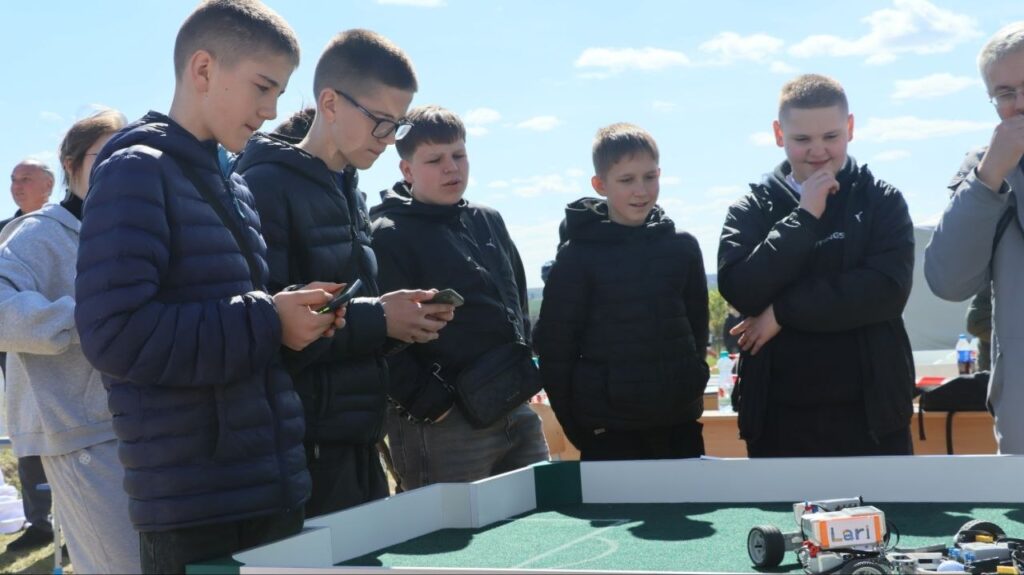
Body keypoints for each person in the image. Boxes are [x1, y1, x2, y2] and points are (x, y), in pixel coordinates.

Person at [73, 1, 345, 572]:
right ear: (203, 70)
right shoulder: (135, 171)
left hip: (268, 488)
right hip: (195, 508)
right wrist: (268, 319)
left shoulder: (235, 187)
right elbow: (114, 336)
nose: (272, 111)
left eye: (280, 93)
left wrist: (297, 326)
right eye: (263, 87)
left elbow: (240, 333)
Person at [235, 30, 454, 514]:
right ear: (330, 103)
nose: (390, 140)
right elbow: (266, 329)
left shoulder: (349, 189)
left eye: (398, 125)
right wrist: (380, 318)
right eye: (381, 122)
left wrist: (401, 322)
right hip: (304, 455)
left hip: (357, 443)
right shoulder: (264, 185)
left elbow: (345, 313)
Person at [717, 74, 915, 458]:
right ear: (779, 134)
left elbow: (885, 292)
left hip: (873, 419)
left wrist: (783, 311)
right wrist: (804, 217)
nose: (818, 151)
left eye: (831, 136)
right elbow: (741, 289)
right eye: (802, 139)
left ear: (851, 128)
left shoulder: (882, 201)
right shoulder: (750, 209)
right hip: (777, 420)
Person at [370, 105, 548, 488]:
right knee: (453, 525)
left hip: (515, 405)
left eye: (459, 155)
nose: (451, 168)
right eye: (435, 160)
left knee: (541, 511)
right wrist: (432, 405)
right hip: (445, 427)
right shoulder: (387, 235)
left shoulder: (488, 219)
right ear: (407, 170)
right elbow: (378, 335)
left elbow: (516, 299)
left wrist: (522, 372)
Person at [0, 109, 140, 573]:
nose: (119, 166)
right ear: (70, 163)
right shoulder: (37, 232)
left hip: (144, 423)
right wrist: (87, 319)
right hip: (79, 434)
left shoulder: (133, 228)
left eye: (130, 154)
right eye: (105, 155)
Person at [533, 123, 708, 461]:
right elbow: (556, 350)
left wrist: (692, 381)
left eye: (649, 177)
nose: (641, 190)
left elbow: (697, 331)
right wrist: (579, 430)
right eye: (626, 180)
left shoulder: (683, 247)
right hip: (608, 432)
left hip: (680, 425)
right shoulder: (576, 257)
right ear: (600, 185)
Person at [925, 21, 1024, 454]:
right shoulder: (986, 170)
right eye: (1005, 93)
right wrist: (988, 179)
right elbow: (949, 282)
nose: (1020, 104)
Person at [1, 158, 55, 553]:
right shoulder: (4, 233)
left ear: (49, 185)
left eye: (26, 179)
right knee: (25, 430)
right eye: (13, 179)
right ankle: (40, 522)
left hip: (59, 344)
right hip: (14, 349)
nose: (17, 186)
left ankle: (73, 520)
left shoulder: (66, 226)